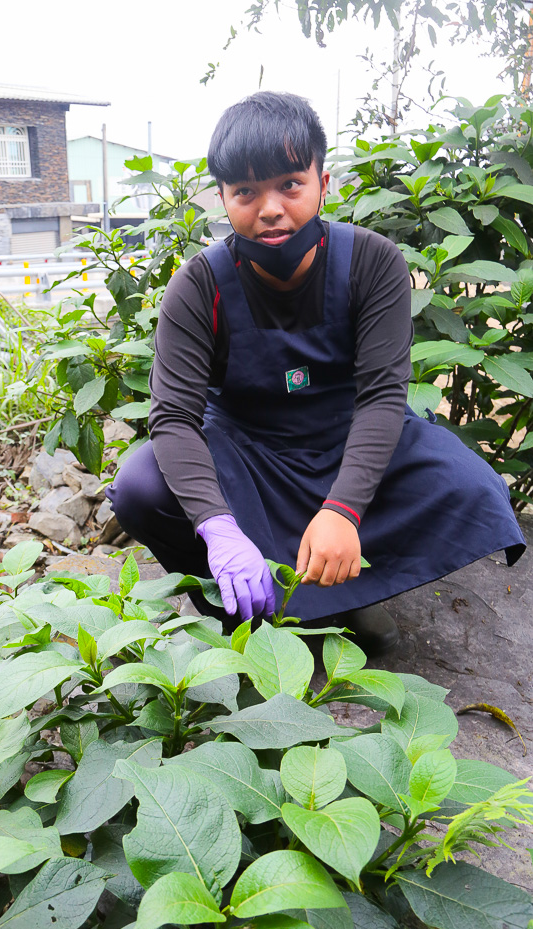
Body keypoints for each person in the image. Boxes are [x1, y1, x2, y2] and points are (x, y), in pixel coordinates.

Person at [105, 91, 525, 655]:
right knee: (140, 487)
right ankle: (243, 601)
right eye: (245, 192)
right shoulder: (199, 284)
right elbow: (174, 419)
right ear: (223, 200)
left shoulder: (374, 262)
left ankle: (351, 590)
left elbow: (381, 399)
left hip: (346, 435)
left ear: (323, 184)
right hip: (246, 449)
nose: (270, 208)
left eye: (290, 185)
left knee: (468, 487)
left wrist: (343, 509)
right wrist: (218, 529)